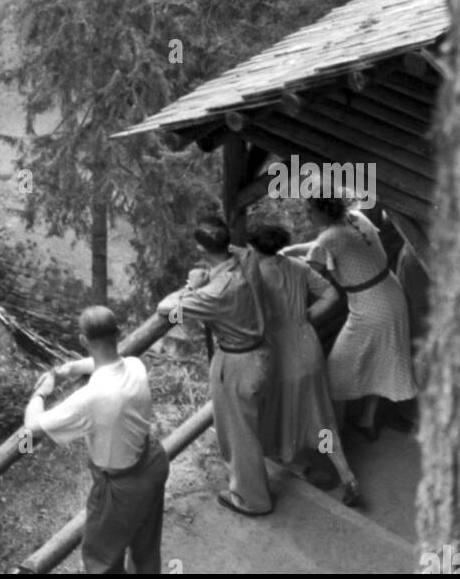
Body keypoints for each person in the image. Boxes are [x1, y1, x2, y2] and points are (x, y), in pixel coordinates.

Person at [24, 305, 169, 574]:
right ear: (118, 334)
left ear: (82, 340)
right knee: (145, 549)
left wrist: (41, 393)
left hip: (120, 489)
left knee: (99, 560)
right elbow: (108, 361)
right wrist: (69, 369)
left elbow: (32, 429)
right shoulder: (136, 366)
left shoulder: (91, 398)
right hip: (153, 463)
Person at [156, 218, 273, 517]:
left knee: (238, 434)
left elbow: (167, 309)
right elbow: (232, 251)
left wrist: (191, 285)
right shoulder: (246, 258)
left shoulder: (216, 293)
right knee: (249, 426)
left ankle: (252, 500)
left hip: (236, 364)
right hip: (261, 353)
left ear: (200, 248)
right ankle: (255, 483)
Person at [283, 187, 416, 439]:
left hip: (371, 307)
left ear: (324, 210)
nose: (307, 214)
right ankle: (367, 421)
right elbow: (325, 246)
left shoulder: (329, 238)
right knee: (385, 357)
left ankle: (333, 436)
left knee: (336, 371)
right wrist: (291, 250)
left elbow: (307, 273)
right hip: (390, 292)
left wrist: (279, 261)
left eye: (310, 210)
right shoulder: (357, 218)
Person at [247, 220, 360, 506]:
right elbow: (332, 294)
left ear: (255, 248)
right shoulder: (297, 267)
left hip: (280, 354)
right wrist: (308, 316)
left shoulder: (254, 275)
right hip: (309, 348)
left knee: (284, 412)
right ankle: (347, 476)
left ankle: (294, 462)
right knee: (321, 415)